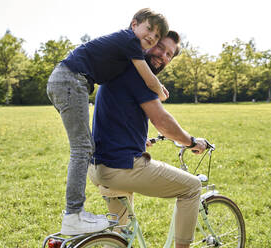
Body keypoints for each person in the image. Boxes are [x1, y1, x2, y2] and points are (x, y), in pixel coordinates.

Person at [46, 8, 170, 235]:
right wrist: (160, 91)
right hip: (70, 80)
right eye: (149, 29)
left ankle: (75, 214)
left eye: (157, 35)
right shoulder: (129, 41)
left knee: (84, 146)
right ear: (134, 24)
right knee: (82, 147)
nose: (152, 36)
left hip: (68, 81)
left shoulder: (127, 48)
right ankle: (73, 215)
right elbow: (148, 79)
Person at [88, 31, 207, 248]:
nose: (163, 56)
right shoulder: (137, 74)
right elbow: (162, 121)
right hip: (122, 167)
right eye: (160, 47)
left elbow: (118, 116)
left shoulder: (120, 69)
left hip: (99, 167)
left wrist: (138, 140)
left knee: (118, 235)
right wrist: (191, 141)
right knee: (192, 187)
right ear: (146, 43)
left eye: (169, 54)